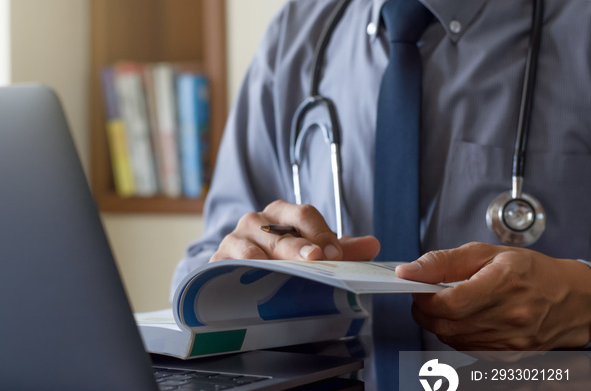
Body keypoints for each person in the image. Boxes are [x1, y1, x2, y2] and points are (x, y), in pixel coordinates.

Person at [171, 0, 591, 353]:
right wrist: (235, 273)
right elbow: (208, 258)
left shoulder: (578, 24)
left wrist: (581, 305)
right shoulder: (297, 32)